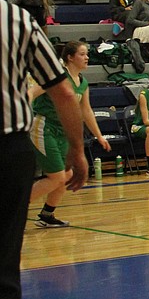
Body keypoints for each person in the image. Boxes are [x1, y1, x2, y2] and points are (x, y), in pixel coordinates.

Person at [0, 0, 86, 299]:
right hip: (9, 146)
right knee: (3, 274)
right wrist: (79, 148)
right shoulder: (16, 21)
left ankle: (45, 212)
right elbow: (59, 90)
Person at [28, 41, 107, 227]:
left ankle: (47, 214)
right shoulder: (58, 77)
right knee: (56, 176)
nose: (87, 57)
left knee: (67, 173)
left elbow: (86, 111)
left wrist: (99, 135)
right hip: (44, 126)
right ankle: (13, 211)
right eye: (82, 54)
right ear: (70, 57)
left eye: (87, 54)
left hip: (62, 132)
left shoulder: (83, 82)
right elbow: (32, 92)